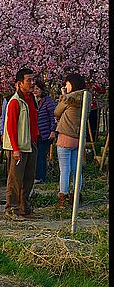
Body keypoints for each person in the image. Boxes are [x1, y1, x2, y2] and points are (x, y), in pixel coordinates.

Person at [3, 68, 39, 219]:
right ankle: (12, 208)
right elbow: (11, 127)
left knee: (28, 179)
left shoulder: (32, 99)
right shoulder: (15, 102)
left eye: (33, 80)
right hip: (18, 146)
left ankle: (24, 207)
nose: (32, 83)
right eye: (28, 80)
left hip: (31, 144)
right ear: (19, 83)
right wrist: (15, 149)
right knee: (15, 180)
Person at [54, 71, 91, 207]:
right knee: (76, 169)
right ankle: (76, 196)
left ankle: (63, 197)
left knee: (65, 169)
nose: (66, 85)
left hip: (65, 137)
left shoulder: (68, 98)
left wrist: (63, 95)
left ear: (72, 84)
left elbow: (57, 112)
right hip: (79, 137)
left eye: (67, 83)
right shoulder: (87, 97)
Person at [33, 78, 56, 184]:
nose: (35, 90)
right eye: (33, 88)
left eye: (37, 88)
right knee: (36, 155)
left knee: (41, 155)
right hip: (35, 133)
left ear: (42, 90)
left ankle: (40, 177)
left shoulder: (48, 101)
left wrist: (53, 131)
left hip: (45, 133)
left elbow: (53, 117)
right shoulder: (32, 101)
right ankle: (37, 176)